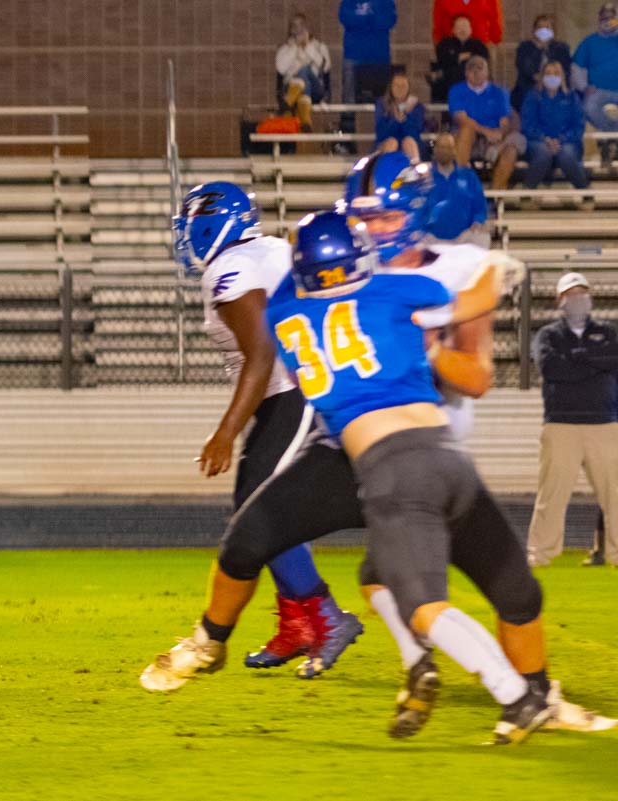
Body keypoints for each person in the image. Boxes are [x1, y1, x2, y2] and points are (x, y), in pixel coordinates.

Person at [139, 154, 615, 741]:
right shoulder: (402, 283)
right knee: (261, 539)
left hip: (431, 449)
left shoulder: (359, 286)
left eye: (386, 216)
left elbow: (476, 378)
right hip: (359, 451)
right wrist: (456, 304)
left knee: (506, 592)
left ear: (414, 214)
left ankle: (528, 690)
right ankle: (215, 641)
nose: (375, 228)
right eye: (363, 218)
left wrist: (423, 338)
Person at [266, 210, 549, 744]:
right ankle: (425, 667)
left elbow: (293, 297)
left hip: (395, 467)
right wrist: (495, 271)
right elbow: (465, 304)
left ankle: (517, 695)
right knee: (378, 577)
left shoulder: (288, 315)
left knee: (423, 605)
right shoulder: (399, 292)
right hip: (445, 456)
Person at [141, 183, 361, 692]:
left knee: (259, 514)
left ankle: (323, 617)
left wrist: (226, 432)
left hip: (292, 393)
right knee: (261, 512)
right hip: (303, 388)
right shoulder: (269, 251)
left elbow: (262, 354)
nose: (185, 238)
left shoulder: (230, 267)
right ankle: (300, 620)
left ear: (210, 224)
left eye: (189, 226)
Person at [527, 272, 618, 568]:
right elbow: (552, 369)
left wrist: (577, 358)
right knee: (551, 494)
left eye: (582, 293)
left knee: (615, 494)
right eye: (571, 294)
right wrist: (595, 364)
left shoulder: (609, 332)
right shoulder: (548, 335)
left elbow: (613, 359)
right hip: (561, 423)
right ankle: (540, 554)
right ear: (560, 300)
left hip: (604, 423)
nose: (578, 299)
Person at [449, 56, 525, 190]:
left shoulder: (499, 92)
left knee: (511, 150)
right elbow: (461, 119)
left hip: (493, 139)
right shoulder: (456, 91)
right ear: (466, 72)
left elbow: (504, 122)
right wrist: (486, 132)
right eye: (472, 69)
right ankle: (459, 184)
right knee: (466, 131)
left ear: (487, 72)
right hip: (468, 137)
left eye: (480, 68)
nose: (476, 72)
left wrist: (498, 134)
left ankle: (495, 194)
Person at [521, 62, 590, 192]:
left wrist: (561, 140)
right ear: (542, 77)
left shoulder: (571, 97)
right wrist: (545, 139)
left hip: (567, 142)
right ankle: (527, 192)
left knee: (566, 154)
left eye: (556, 74)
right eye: (548, 74)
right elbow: (527, 125)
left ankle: (584, 191)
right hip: (539, 142)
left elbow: (578, 126)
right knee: (543, 153)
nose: (552, 77)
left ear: (562, 77)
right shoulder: (533, 97)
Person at [339, 0, 397, 137]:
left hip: (380, 56)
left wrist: (363, 19)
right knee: (349, 97)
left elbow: (389, 20)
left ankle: (386, 136)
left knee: (384, 100)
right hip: (353, 55)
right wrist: (371, 18)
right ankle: (347, 137)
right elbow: (345, 18)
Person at [572, 4, 618, 165]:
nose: (608, 21)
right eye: (604, 18)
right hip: (597, 91)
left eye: (611, 18)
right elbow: (575, 68)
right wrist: (584, 86)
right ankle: (613, 137)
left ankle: (609, 141)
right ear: (599, 19)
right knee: (588, 107)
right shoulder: (589, 42)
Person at [427, 132, 489, 245]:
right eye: (440, 147)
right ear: (435, 150)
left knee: (482, 237)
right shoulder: (424, 177)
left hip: (463, 238)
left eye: (448, 147)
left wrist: (477, 222)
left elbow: (480, 208)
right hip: (431, 239)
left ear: (454, 150)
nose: (443, 151)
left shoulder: (469, 177)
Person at [275, 14, 331, 131]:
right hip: (291, 89)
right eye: (295, 26)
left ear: (308, 28)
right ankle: (305, 121)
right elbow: (281, 69)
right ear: (290, 30)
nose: (298, 29)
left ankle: (288, 102)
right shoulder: (285, 49)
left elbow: (325, 67)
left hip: (315, 91)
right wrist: (295, 48)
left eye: (302, 25)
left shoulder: (319, 47)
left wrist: (307, 47)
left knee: (304, 71)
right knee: (301, 77)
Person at [513, 14, 573, 113]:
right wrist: (539, 49)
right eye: (540, 27)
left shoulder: (562, 48)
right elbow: (525, 68)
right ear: (534, 30)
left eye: (547, 27)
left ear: (553, 31)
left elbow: (565, 70)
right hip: (529, 86)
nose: (543, 30)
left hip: (556, 86)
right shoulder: (524, 47)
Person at [431, 16, 489, 104]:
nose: (462, 30)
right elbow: (443, 59)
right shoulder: (445, 43)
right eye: (459, 27)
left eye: (465, 26)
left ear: (471, 29)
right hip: (448, 88)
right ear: (453, 30)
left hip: (474, 89)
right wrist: (459, 57)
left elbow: (482, 60)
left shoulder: (478, 45)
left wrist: (459, 57)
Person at [374, 72, 424, 161]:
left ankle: (415, 168)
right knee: (392, 143)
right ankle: (387, 168)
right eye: (396, 85)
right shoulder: (382, 104)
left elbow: (415, 133)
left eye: (403, 86)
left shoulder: (416, 106)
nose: (400, 89)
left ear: (408, 88)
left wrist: (405, 117)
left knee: (409, 142)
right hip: (387, 142)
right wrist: (395, 121)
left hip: (408, 142)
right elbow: (380, 132)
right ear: (391, 87)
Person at [433, 0, 502, 51]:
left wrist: (495, 42)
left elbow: (495, 20)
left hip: (480, 49)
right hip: (451, 51)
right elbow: (438, 26)